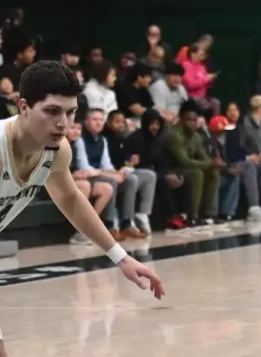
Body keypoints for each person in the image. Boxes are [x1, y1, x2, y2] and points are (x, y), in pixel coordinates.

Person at [0, 61, 163, 347]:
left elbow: (70, 198)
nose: (63, 123)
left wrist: (121, 257)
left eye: (70, 112)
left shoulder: (57, 150)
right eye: (52, 111)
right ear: (23, 107)